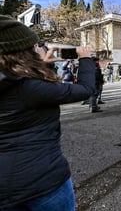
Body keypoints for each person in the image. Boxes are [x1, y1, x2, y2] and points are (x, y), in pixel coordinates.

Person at [0, 15, 95, 210]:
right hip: (42, 184)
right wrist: (85, 58)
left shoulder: (14, 82)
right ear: (21, 52)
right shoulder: (29, 88)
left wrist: (45, 65)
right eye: (33, 47)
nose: (37, 50)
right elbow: (85, 89)